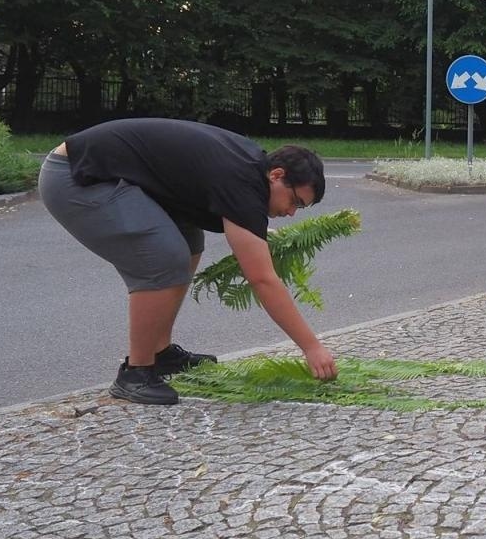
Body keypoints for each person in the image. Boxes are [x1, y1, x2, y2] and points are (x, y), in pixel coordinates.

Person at [39, 118, 339, 405]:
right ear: (276, 175)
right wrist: (311, 347)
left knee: (189, 241)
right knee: (164, 258)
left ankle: (160, 353)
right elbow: (262, 279)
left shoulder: (251, 170)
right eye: (295, 201)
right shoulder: (242, 183)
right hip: (75, 177)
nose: (291, 213)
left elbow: (244, 228)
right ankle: (135, 372)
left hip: (104, 173)